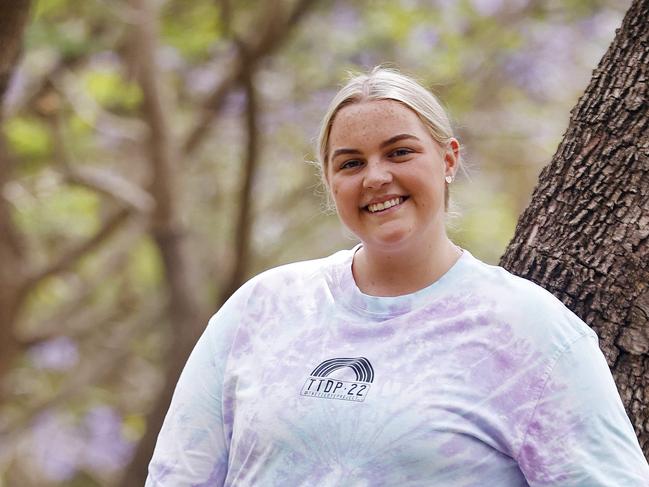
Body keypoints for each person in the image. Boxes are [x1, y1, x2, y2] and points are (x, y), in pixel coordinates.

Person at [145, 67, 649, 486]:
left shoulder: (532, 331)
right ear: (330, 182)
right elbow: (178, 476)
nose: (376, 177)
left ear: (448, 158)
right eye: (350, 163)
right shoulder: (261, 307)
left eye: (400, 152)